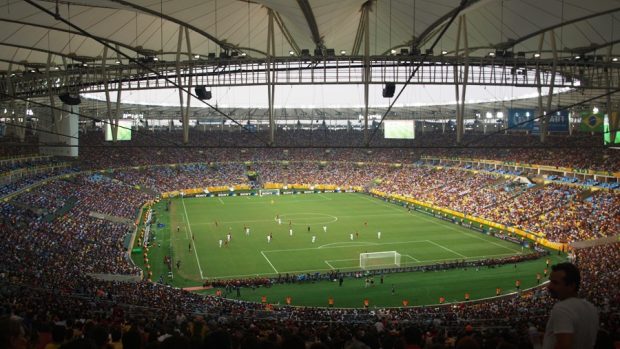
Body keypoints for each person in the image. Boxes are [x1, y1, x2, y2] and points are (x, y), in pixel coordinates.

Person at [542, 262, 598, 349]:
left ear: (571, 286)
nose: (549, 286)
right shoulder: (592, 308)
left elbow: (564, 346)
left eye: (555, 283)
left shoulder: (562, 308)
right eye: (550, 281)